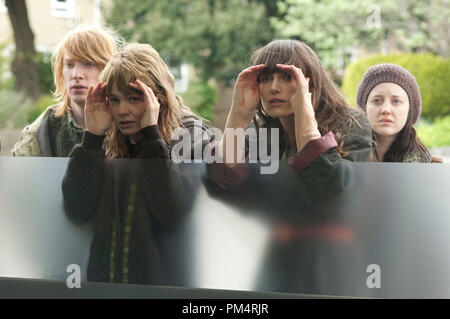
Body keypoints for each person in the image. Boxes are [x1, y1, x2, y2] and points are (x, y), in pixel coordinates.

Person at [62, 43, 212, 285]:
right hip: (106, 283)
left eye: (134, 98)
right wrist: (91, 139)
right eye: (115, 99)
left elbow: (170, 212)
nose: (123, 110)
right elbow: (77, 211)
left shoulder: (190, 134)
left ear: (158, 98)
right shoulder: (111, 136)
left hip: (170, 286)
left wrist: (152, 137)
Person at [207, 39, 372, 194]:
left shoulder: (352, 124)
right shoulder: (260, 132)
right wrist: (238, 116)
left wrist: (304, 118)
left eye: (287, 77)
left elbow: (333, 190)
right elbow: (223, 182)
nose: (274, 88)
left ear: (311, 83)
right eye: (266, 78)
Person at [11, 25, 120, 157]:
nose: (76, 74)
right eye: (69, 64)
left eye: (88, 64)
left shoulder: (127, 122)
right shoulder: (42, 132)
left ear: (108, 68)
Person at [356, 63, 436, 163]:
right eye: (377, 101)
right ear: (364, 108)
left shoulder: (425, 167)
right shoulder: (344, 156)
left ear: (410, 110)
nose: (386, 110)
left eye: (396, 101)